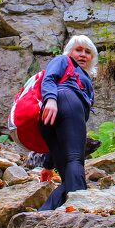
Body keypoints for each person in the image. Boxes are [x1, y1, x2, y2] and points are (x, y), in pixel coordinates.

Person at [37, 35, 97, 211]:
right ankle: (79, 211)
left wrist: (48, 165)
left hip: (51, 118)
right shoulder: (63, 60)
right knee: (76, 161)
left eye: (88, 52)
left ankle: (43, 214)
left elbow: (62, 137)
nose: (83, 55)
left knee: (68, 177)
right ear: (69, 51)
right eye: (78, 50)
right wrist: (51, 100)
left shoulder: (84, 76)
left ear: (92, 58)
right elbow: (49, 78)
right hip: (61, 105)